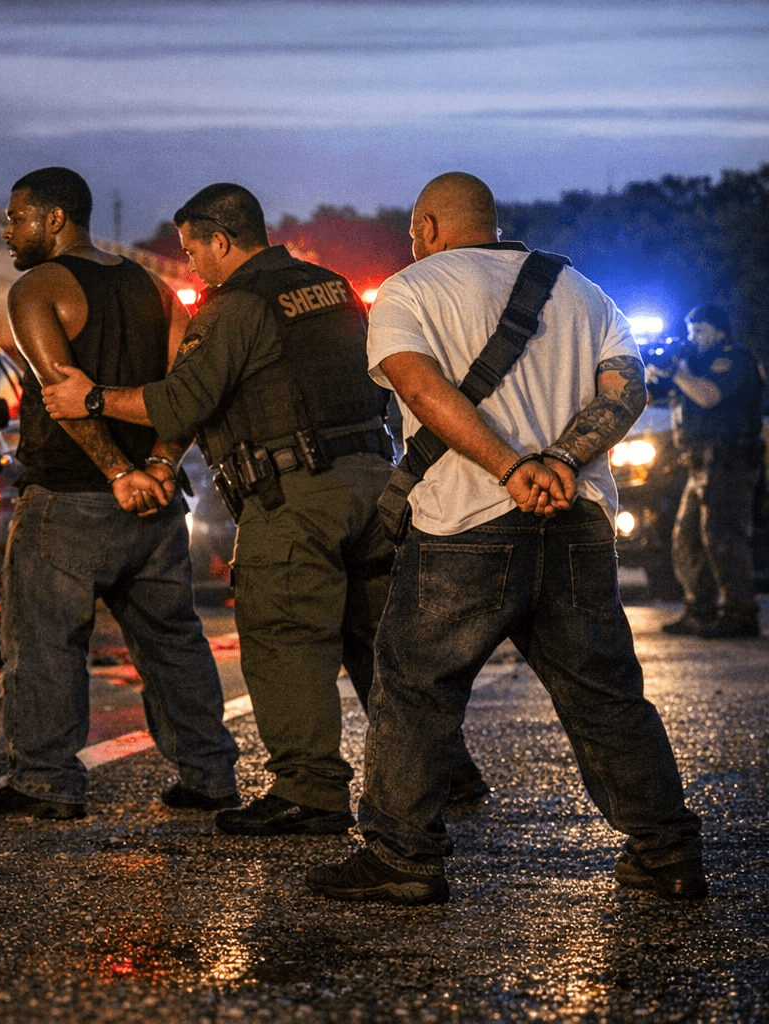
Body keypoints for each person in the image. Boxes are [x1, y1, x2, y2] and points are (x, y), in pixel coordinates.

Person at [306, 172, 705, 904]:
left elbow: (420, 388)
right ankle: (668, 852)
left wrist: (510, 467)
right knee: (604, 693)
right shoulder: (581, 290)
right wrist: (557, 461)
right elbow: (627, 387)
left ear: (427, 227)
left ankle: (403, 859)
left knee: (417, 687)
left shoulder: (410, 290)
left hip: (464, 523)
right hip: (575, 518)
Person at [43, 182, 485, 837]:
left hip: (295, 495)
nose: (191, 263)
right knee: (381, 648)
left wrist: (94, 400)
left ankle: (309, 791)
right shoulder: (331, 287)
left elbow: (181, 403)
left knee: (287, 640)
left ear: (222, 239)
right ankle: (446, 771)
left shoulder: (235, 307)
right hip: (374, 483)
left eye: (194, 249)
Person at [0, 166, 240, 820]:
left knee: (43, 644)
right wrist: (156, 464)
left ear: (54, 219)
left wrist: (116, 473)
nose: (7, 230)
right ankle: (208, 775)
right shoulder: (154, 288)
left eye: (16, 217)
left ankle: (44, 784)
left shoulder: (37, 288)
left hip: (70, 500)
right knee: (173, 644)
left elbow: (60, 390)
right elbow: (186, 392)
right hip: (154, 508)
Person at [649, 304, 764, 638]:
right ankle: (700, 609)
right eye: (691, 331)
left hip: (730, 462)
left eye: (700, 330)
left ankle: (740, 614)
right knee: (686, 539)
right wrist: (653, 372)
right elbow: (651, 396)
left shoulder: (734, 360)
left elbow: (708, 395)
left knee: (723, 538)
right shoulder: (694, 365)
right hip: (699, 464)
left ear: (719, 331)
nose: (693, 337)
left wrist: (677, 372)